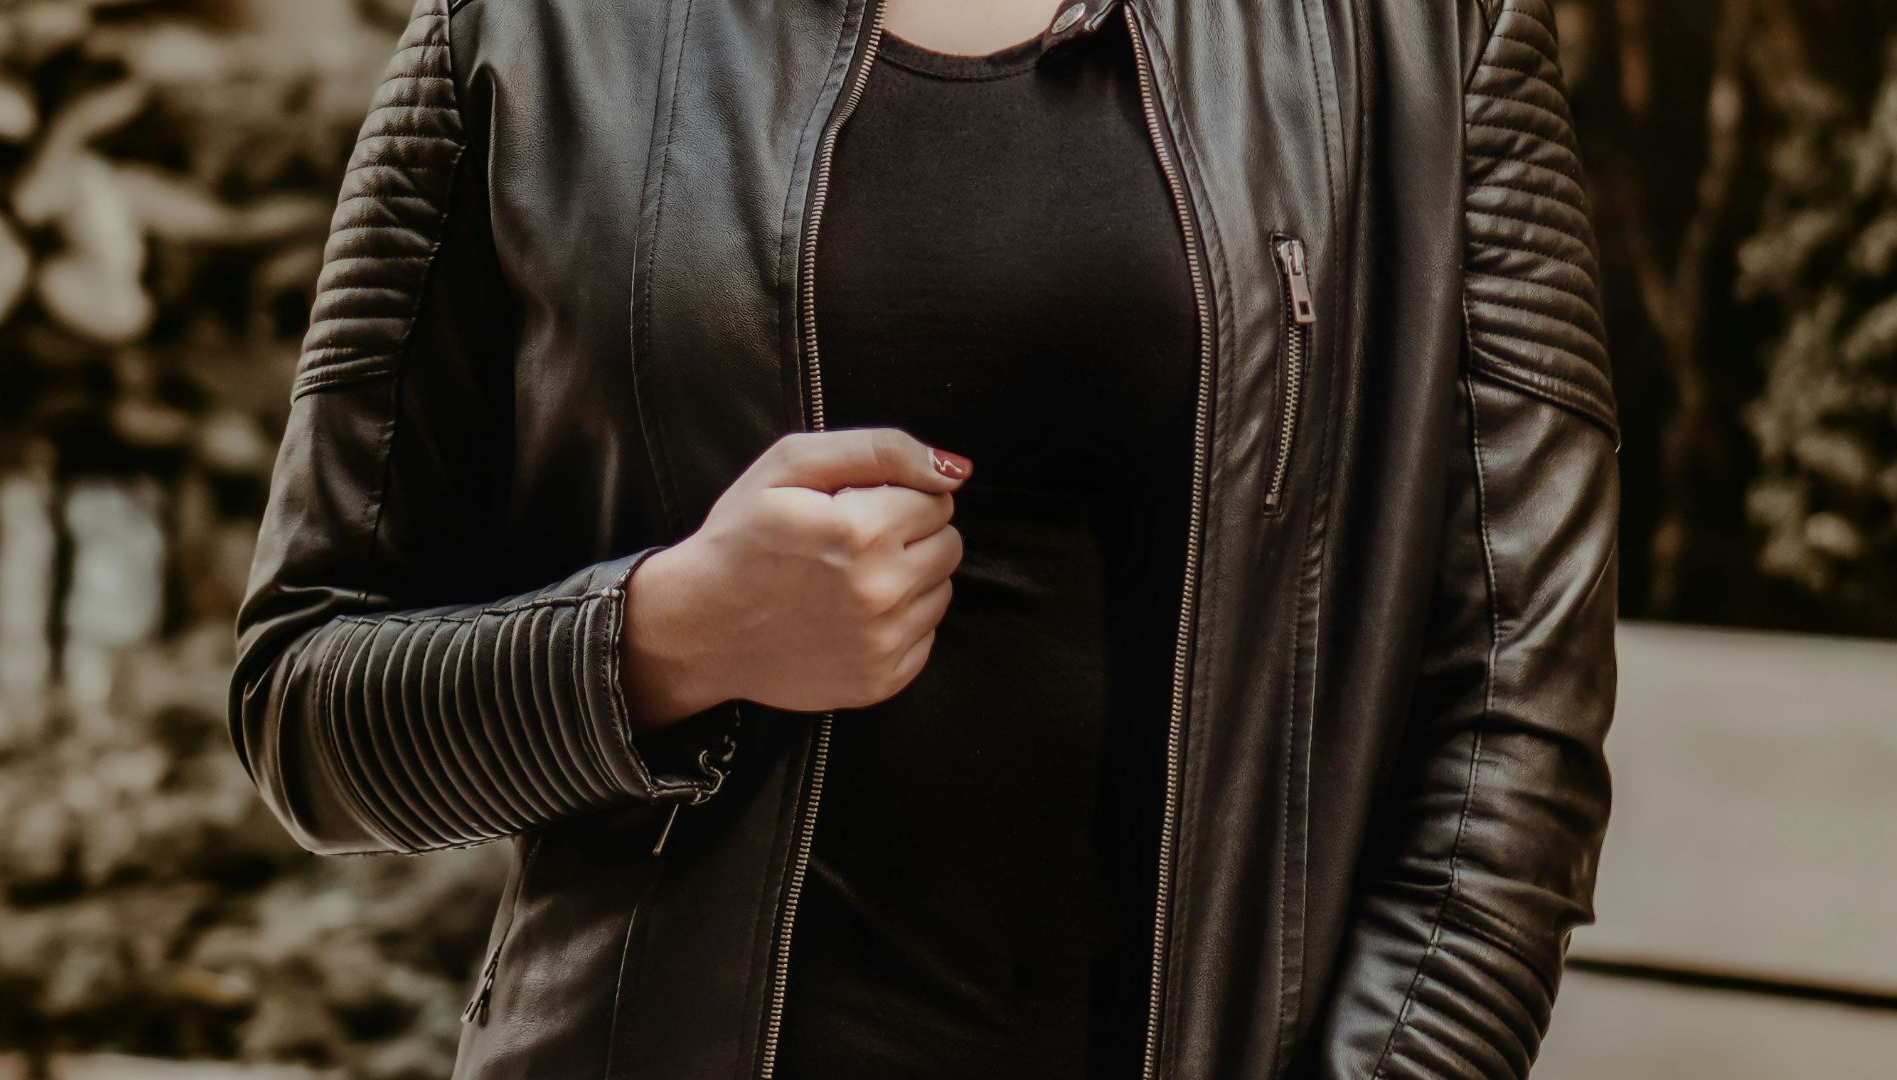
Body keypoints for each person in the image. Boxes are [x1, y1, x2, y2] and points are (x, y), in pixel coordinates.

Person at [228, 0, 1622, 1075]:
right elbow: (305, 702)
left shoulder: (1421, 31)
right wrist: (664, 636)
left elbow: (1513, 720)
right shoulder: (527, 30)